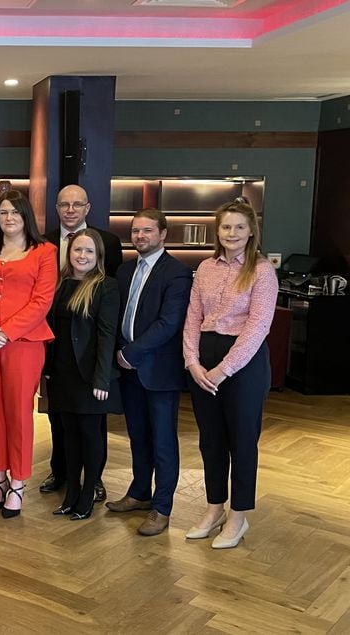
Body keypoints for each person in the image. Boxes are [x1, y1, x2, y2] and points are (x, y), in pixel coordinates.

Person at [183, 198, 277, 549]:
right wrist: (192, 362)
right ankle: (214, 509)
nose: (232, 233)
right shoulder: (205, 268)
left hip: (243, 363)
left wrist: (223, 370)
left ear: (251, 230)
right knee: (211, 441)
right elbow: (192, 317)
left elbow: (258, 327)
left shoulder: (263, 270)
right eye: (226, 227)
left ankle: (238, 516)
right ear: (217, 231)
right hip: (204, 358)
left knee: (241, 441)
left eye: (239, 226)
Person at [107, 209, 192, 536]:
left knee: (163, 441)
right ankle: (140, 493)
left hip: (158, 371)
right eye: (136, 231)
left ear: (163, 234)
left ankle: (162, 507)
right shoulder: (125, 271)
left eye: (147, 231)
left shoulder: (177, 274)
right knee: (138, 437)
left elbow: (169, 323)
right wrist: (120, 352)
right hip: (128, 370)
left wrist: (131, 352)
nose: (140, 236)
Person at [0, 191, 57, 519]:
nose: (9, 218)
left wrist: (4, 331)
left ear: (26, 217)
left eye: (15, 213)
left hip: (23, 343)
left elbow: (42, 300)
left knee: (19, 413)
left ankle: (18, 482)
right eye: (3, 212)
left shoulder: (45, 252)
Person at [40, 184, 122, 501]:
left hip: (89, 364)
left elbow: (106, 322)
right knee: (60, 423)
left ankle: (93, 482)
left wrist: (103, 372)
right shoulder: (44, 242)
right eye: (64, 204)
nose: (70, 209)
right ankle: (62, 473)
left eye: (77, 204)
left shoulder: (109, 244)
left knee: (90, 428)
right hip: (60, 363)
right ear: (57, 208)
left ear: (87, 208)